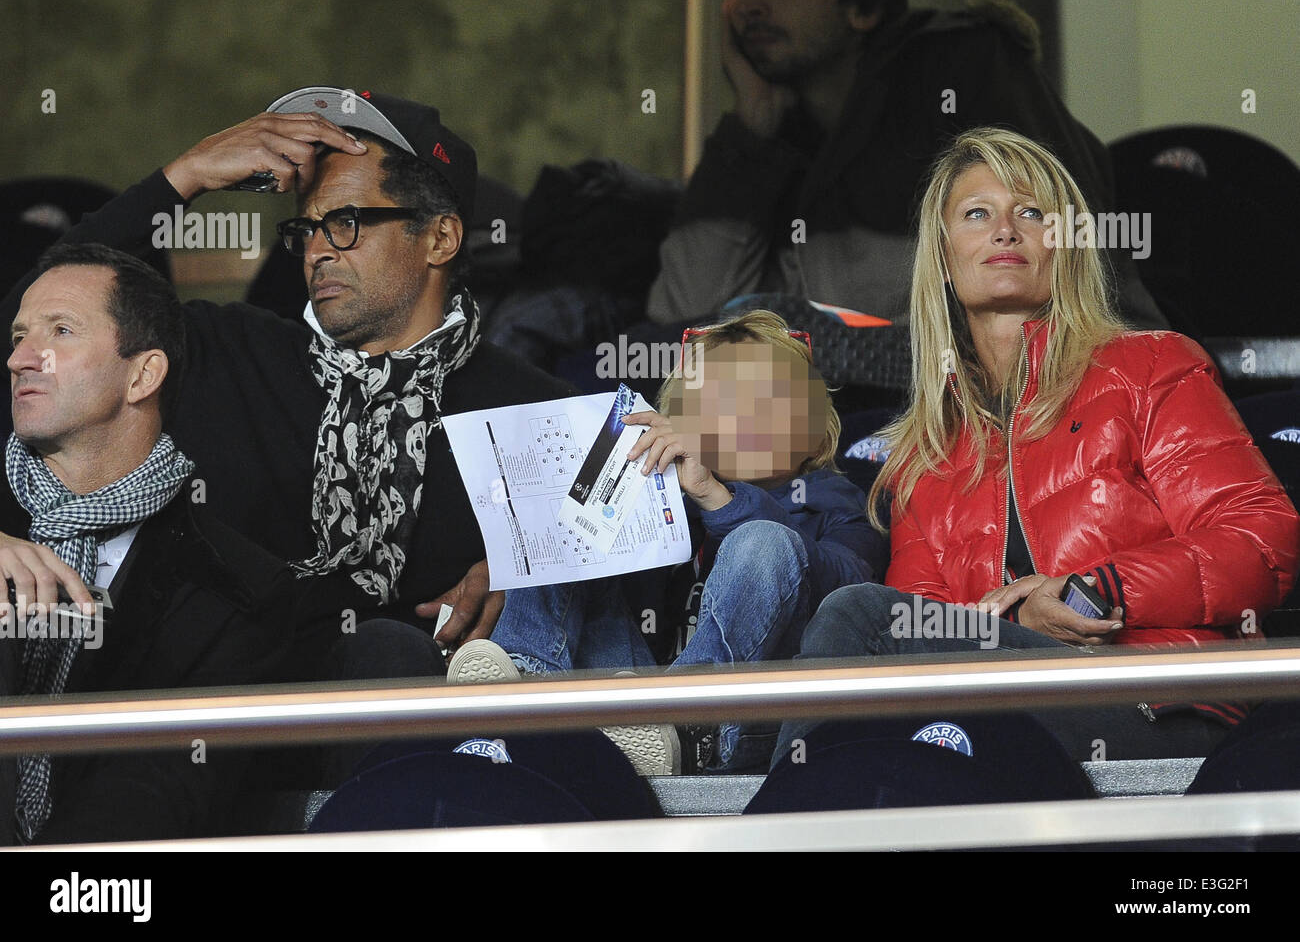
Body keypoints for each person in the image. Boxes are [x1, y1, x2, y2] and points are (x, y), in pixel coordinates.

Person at [0, 88, 574, 682]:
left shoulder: (531, 406)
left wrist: (528, 567)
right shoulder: (221, 349)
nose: (316, 251)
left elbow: (659, 494)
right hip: (207, 713)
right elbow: (30, 325)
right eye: (308, 228)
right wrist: (185, 176)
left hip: (391, 724)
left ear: (440, 238)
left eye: (347, 223)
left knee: (385, 650)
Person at [775, 126, 1300, 767]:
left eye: (1031, 213)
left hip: (1156, 701)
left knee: (858, 620)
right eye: (977, 214)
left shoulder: (1150, 366)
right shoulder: (925, 451)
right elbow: (925, 630)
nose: (1005, 230)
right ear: (942, 258)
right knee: (855, 684)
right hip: (999, 705)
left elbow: (1261, 539)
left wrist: (1094, 590)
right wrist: (1007, 624)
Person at [647, 0, 1165, 330]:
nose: (749, 3)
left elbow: (1069, 262)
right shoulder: (776, 138)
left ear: (864, 7)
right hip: (850, 421)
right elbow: (685, 316)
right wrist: (751, 129)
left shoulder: (959, 67)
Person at [454, 310, 883, 772]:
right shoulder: (657, 501)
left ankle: (684, 716)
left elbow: (850, 594)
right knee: (568, 523)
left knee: (764, 541)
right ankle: (523, 686)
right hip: (632, 713)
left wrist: (719, 499)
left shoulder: (842, 502)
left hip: (735, 724)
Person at [0, 244, 291, 844]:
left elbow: (155, 799)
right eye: (19, 335)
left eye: (60, 331)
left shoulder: (235, 588)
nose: (21, 358)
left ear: (143, 375)